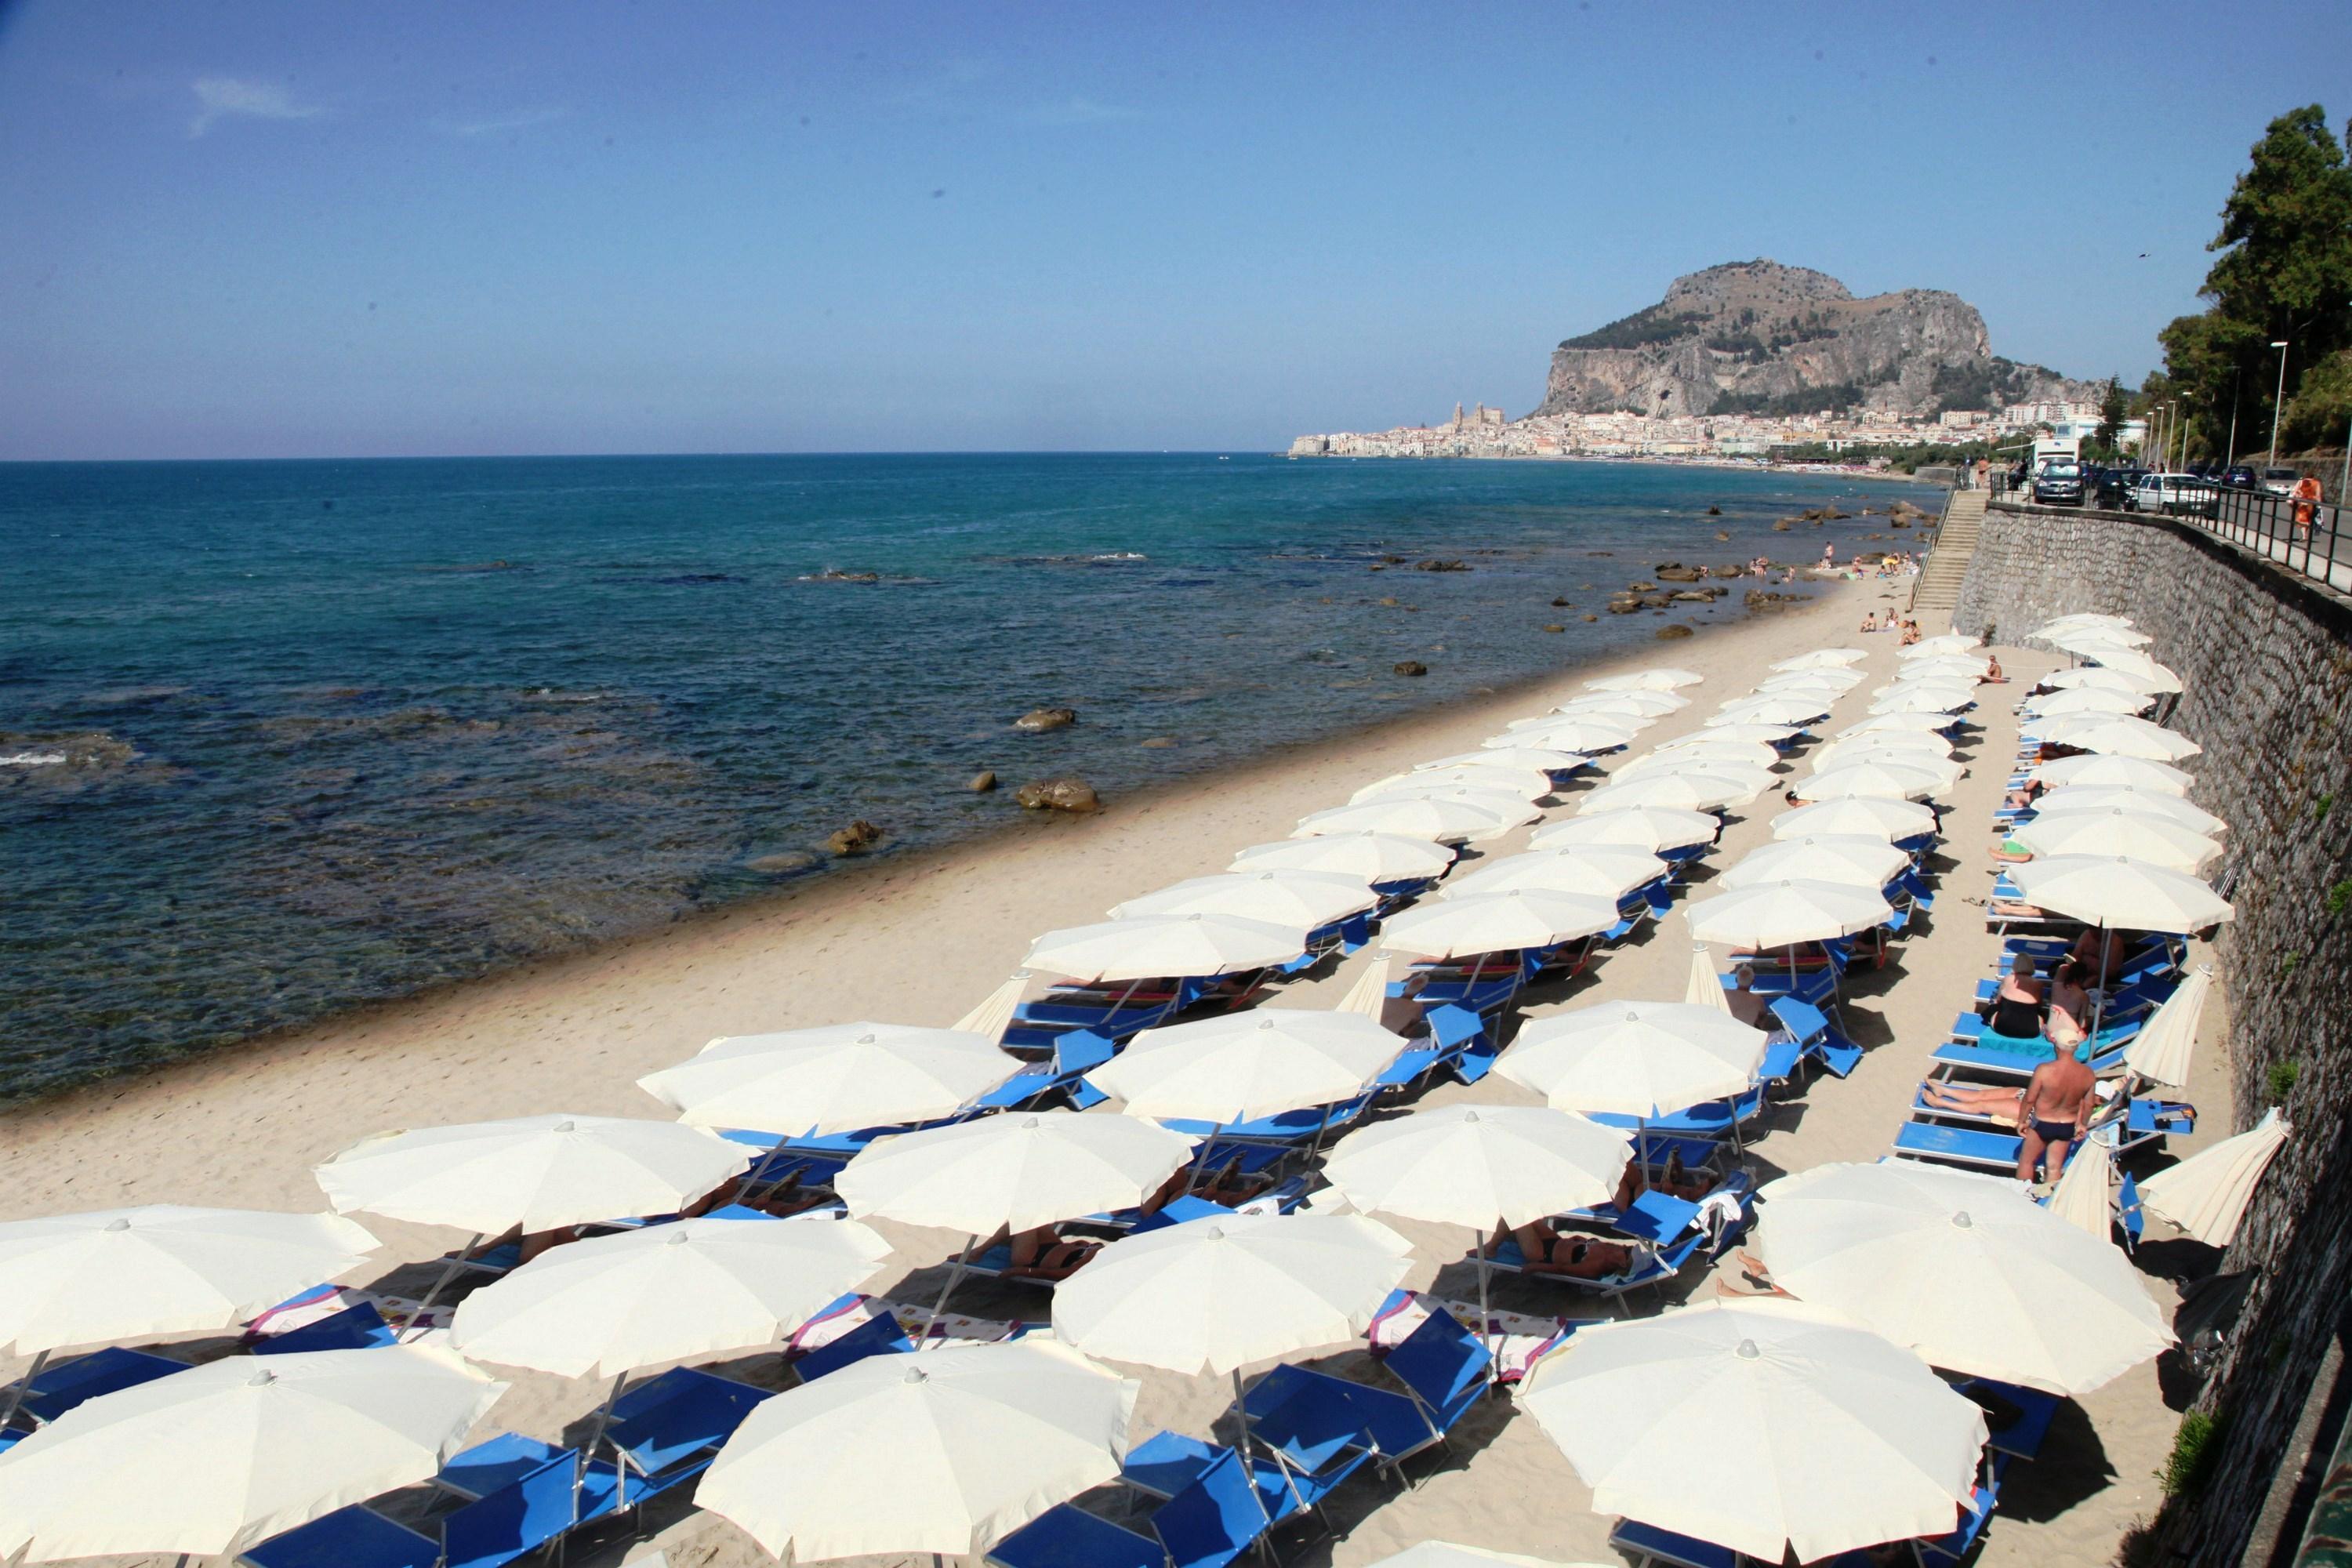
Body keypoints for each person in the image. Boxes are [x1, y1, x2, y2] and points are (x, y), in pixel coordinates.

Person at [2016, 1041, 2096, 1181]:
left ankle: (2022, 1198)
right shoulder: (2087, 1073)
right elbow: (2089, 1104)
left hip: (2043, 1122)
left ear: (2056, 1047)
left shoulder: (2044, 1069)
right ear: (2076, 1048)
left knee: (2027, 1162)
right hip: (2067, 1125)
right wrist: (2083, 1124)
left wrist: (2022, 1121)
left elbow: (2029, 1099)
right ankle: (2049, 1201)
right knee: (2054, 1167)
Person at [1495, 1219, 1639, 1279]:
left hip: (1541, 1253)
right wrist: (1584, 1241)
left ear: (1623, 1263)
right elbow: (1588, 1247)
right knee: (1526, 1213)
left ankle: (1490, 1248)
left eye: (1627, 1251)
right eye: (1629, 1246)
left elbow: (1563, 1270)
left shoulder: (1595, 1267)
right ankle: (1493, 1244)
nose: (1626, 1246)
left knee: (1515, 1216)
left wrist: (1536, 1266)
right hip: (1555, 1240)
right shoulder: (1610, 1249)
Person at [1983, 953, 2046, 1040]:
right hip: (2031, 1031)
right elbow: (2040, 1004)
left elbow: (1998, 1000)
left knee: (1993, 1008)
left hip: (2002, 1027)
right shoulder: (2038, 983)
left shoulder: (2008, 979)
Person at [1723, 960, 1771, 1028]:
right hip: (1748, 1031)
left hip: (1725, 1028)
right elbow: (1763, 1015)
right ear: (1753, 982)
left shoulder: (1725, 993)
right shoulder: (1757, 1000)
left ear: (1736, 980)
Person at [2292, 473, 2324, 542]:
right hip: (2312, 503)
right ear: (2313, 476)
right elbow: (2318, 495)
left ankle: (2304, 535)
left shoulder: (2301, 482)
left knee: (2302, 519)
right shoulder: (2317, 483)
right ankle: (2304, 535)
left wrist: (2296, 498)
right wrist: (2319, 504)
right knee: (2308, 519)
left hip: (2302, 503)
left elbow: (2295, 492)